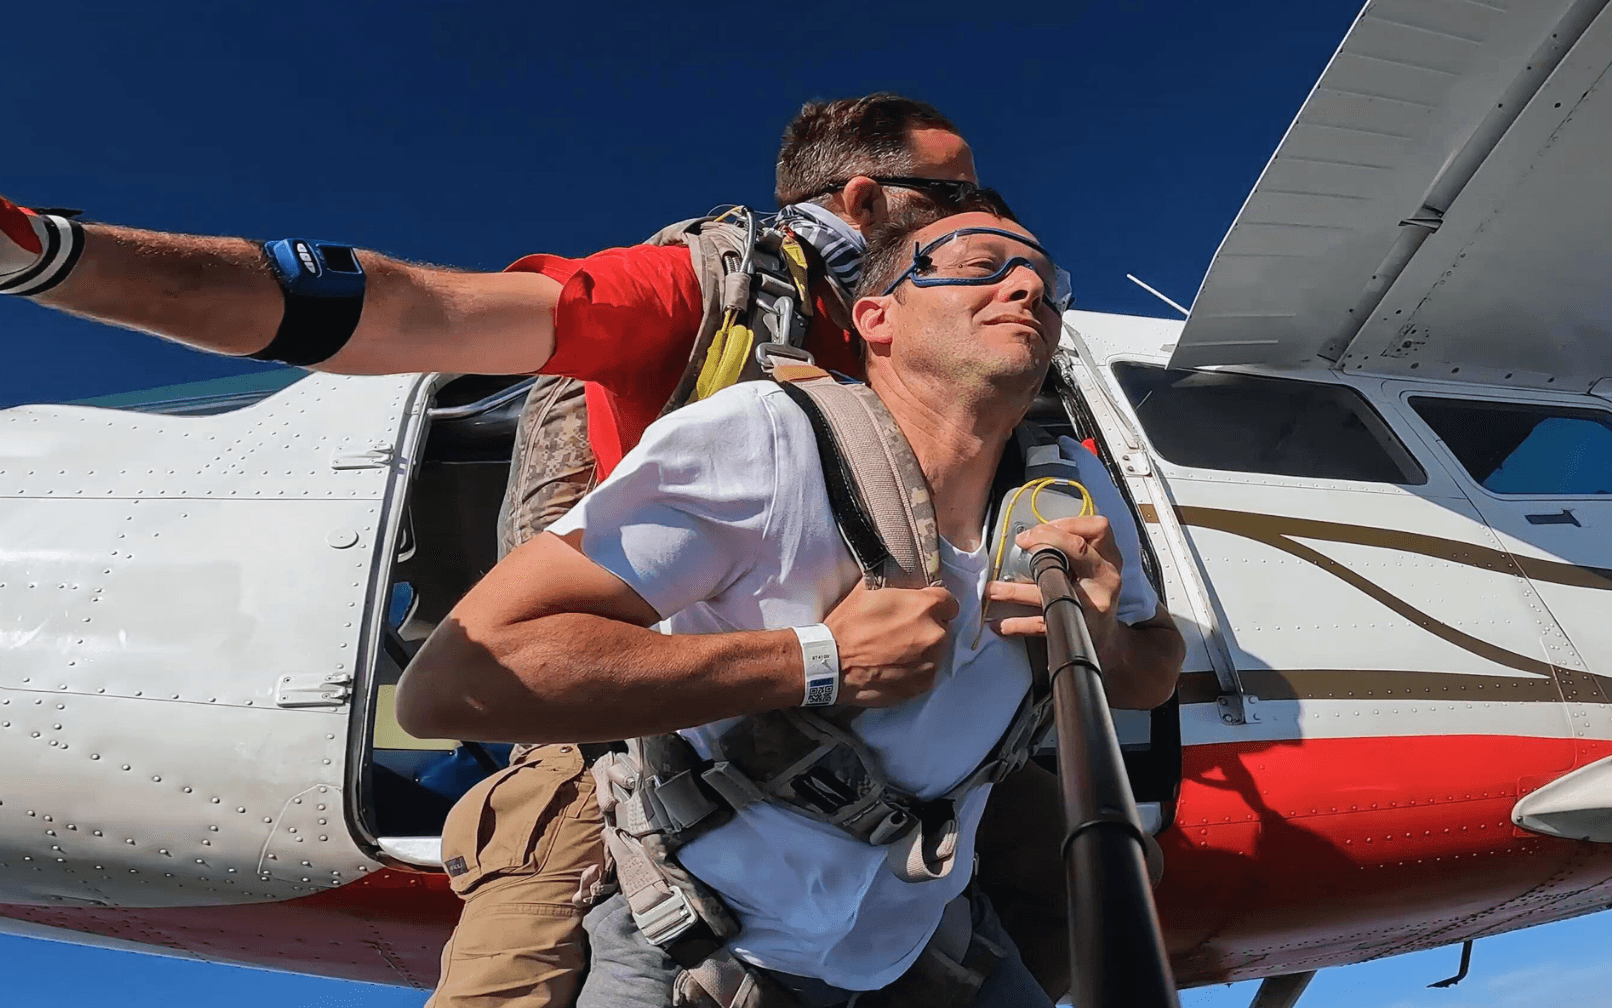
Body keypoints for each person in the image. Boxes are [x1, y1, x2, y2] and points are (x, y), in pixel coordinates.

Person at [0, 95, 1082, 1005]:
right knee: (526, 947)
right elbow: (415, 308)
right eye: (956, 193)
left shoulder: (981, 353)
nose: (996, 226)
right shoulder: (699, 293)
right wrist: (60, 261)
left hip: (893, 763)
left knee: (1061, 883)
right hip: (641, 727)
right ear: (861, 204)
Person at [394, 204, 1187, 1006]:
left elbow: (1152, 666)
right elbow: (455, 681)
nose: (1027, 287)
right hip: (702, 950)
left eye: (1047, 282)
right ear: (876, 318)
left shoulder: (1068, 486)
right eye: (979, 265)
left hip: (923, 948)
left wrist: (1105, 643)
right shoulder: (765, 439)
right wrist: (818, 660)